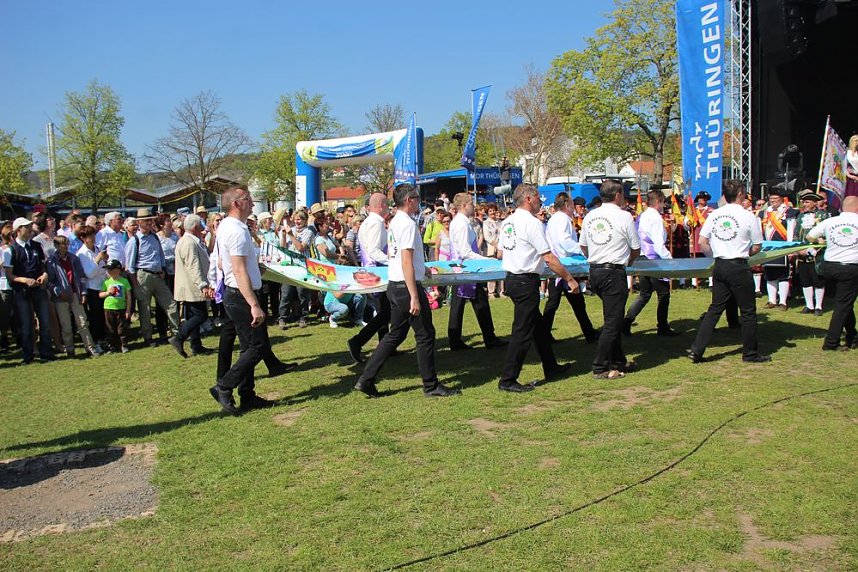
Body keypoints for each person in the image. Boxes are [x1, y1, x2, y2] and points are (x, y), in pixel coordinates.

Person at [354, 184, 460, 399]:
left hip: (396, 284)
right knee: (425, 335)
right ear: (410, 200)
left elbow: (402, 256)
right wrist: (414, 295)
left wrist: (423, 268)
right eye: (417, 197)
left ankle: (366, 379)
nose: (419, 201)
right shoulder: (408, 224)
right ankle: (430, 385)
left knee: (396, 334)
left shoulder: (395, 222)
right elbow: (405, 259)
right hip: (405, 286)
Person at [497, 184, 577, 392]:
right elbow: (548, 257)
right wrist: (569, 278)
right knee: (522, 333)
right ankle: (508, 379)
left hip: (513, 279)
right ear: (529, 199)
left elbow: (500, 252)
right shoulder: (532, 223)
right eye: (538, 198)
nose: (541, 202)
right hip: (525, 281)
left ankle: (551, 367)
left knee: (539, 329)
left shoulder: (507, 222)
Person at [210, 185, 282, 414]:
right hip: (241, 294)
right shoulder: (236, 230)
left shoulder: (230, 227)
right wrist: (253, 304)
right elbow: (238, 271)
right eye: (248, 199)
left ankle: (247, 394)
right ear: (236, 203)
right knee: (258, 347)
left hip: (238, 291)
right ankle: (224, 386)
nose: (252, 202)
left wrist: (255, 269)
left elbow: (232, 263)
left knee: (248, 347)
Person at [688, 180, 772, 364]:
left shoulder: (714, 214)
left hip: (720, 264)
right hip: (738, 264)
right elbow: (758, 246)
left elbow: (702, 241)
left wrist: (715, 255)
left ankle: (697, 350)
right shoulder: (749, 216)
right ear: (741, 194)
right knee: (748, 311)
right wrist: (745, 253)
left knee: (715, 309)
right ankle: (750, 353)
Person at [579, 180, 641, 379]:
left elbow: (583, 246)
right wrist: (628, 261)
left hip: (595, 270)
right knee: (613, 323)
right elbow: (635, 248)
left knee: (612, 318)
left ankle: (618, 361)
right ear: (617, 195)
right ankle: (600, 366)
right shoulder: (624, 217)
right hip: (613, 272)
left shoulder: (590, 216)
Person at [446, 192, 506, 351]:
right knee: (477, 302)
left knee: (463, 304)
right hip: (467, 269)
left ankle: (457, 339)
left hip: (464, 269)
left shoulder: (460, 222)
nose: (474, 206)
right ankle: (488, 337)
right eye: (471, 204)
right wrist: (486, 260)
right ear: (464, 206)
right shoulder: (461, 224)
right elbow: (465, 251)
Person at [543, 192, 599, 344]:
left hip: (560, 265)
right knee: (568, 302)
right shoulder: (562, 220)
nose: (574, 207)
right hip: (564, 265)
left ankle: (588, 332)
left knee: (564, 302)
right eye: (573, 204)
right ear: (567, 205)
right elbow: (565, 242)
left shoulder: (557, 219)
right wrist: (583, 248)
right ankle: (589, 333)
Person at [624, 190, 680, 337]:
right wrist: (669, 260)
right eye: (662, 203)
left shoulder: (642, 215)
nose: (663, 206)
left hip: (642, 257)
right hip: (653, 258)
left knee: (645, 294)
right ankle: (662, 327)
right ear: (658, 202)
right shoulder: (654, 217)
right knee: (663, 294)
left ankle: (626, 322)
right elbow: (658, 244)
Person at [807, 195, 858, 351]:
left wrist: (820, 242)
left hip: (829, 267)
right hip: (850, 267)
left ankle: (852, 336)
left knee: (844, 302)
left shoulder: (830, 221)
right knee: (843, 305)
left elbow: (810, 236)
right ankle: (831, 343)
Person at [125, 207, 180, 347]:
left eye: (150, 220)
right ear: (139, 223)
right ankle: (148, 337)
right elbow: (130, 266)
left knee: (171, 303)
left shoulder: (154, 236)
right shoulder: (134, 241)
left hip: (157, 274)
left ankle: (177, 333)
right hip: (142, 275)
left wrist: (162, 268)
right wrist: (135, 285)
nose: (149, 223)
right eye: (146, 221)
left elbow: (160, 254)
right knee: (145, 308)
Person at [347, 193, 392, 363]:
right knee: (385, 312)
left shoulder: (369, 222)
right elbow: (374, 250)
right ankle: (357, 341)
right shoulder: (375, 223)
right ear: (380, 206)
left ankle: (384, 345)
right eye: (387, 204)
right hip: (377, 273)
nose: (388, 207)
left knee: (384, 311)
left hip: (374, 271)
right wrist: (393, 261)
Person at [4, 217, 55, 364]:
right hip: (21, 291)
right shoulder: (11, 250)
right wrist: (24, 280)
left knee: (44, 322)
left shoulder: (36, 246)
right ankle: (28, 355)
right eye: (26, 227)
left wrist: (44, 274)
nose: (30, 229)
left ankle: (46, 353)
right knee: (26, 324)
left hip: (38, 288)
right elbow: (10, 275)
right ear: (19, 230)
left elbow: (43, 265)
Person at [46, 234, 102, 357]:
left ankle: (90, 347)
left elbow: (81, 277)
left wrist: (83, 292)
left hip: (75, 293)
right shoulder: (52, 261)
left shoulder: (74, 258)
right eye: (62, 245)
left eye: (66, 244)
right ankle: (70, 350)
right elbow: (50, 281)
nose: (65, 247)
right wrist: (58, 292)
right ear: (56, 246)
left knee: (82, 322)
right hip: (61, 296)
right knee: (66, 325)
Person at [170, 214, 214, 358]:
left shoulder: (191, 241)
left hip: (190, 285)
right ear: (195, 227)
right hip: (192, 286)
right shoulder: (189, 243)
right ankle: (179, 337)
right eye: (200, 224)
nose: (202, 226)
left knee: (192, 316)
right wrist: (202, 285)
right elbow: (193, 266)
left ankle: (196, 345)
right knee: (200, 315)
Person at [759, 188, 798, 309]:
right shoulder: (765, 212)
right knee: (770, 274)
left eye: (776, 199)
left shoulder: (788, 212)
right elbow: (760, 230)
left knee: (783, 275)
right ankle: (772, 301)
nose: (773, 201)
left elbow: (791, 230)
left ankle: (783, 302)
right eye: (771, 199)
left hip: (783, 246)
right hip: (768, 247)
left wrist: (791, 248)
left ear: (781, 199)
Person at [794, 189, 830, 315]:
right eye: (804, 202)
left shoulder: (823, 215)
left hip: (817, 253)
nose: (804, 204)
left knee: (818, 280)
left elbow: (825, 236)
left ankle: (818, 306)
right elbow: (796, 235)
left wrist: (814, 249)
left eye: (807, 202)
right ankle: (809, 305)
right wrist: (798, 249)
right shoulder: (801, 216)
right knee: (805, 280)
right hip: (802, 252)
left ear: (815, 203)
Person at [100, 260, 132, 353]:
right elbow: (100, 294)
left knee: (121, 327)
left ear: (118, 270)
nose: (109, 272)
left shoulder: (124, 281)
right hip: (108, 308)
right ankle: (112, 346)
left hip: (121, 308)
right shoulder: (106, 282)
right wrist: (107, 293)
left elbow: (128, 296)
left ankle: (123, 344)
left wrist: (128, 310)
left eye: (111, 270)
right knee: (110, 328)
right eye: (108, 270)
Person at [482, 203, 504, 297]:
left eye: (493, 210)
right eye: (490, 211)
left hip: (501, 248)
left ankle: (501, 291)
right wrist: (496, 245)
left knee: (502, 269)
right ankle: (491, 292)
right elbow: (487, 237)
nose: (492, 212)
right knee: (492, 270)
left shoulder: (500, 222)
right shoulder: (486, 223)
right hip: (491, 248)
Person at [846, 135, 858, 199]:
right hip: (848, 178)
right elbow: (843, 166)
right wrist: (850, 176)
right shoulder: (847, 152)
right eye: (856, 141)